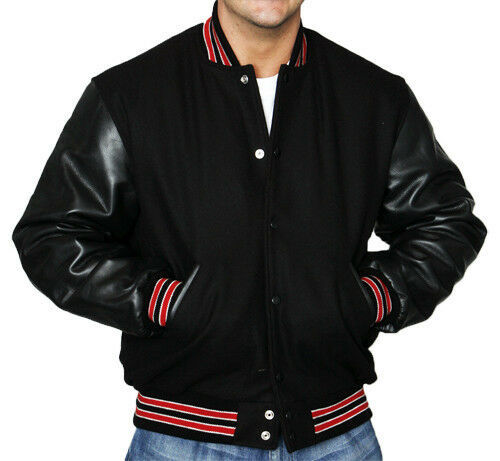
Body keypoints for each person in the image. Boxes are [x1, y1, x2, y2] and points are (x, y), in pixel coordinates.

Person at [12, 1, 487, 460]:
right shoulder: (132, 94)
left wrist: (369, 299)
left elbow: (445, 221)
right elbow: (53, 235)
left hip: (337, 436)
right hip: (185, 441)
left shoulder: (373, 95)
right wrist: (163, 302)